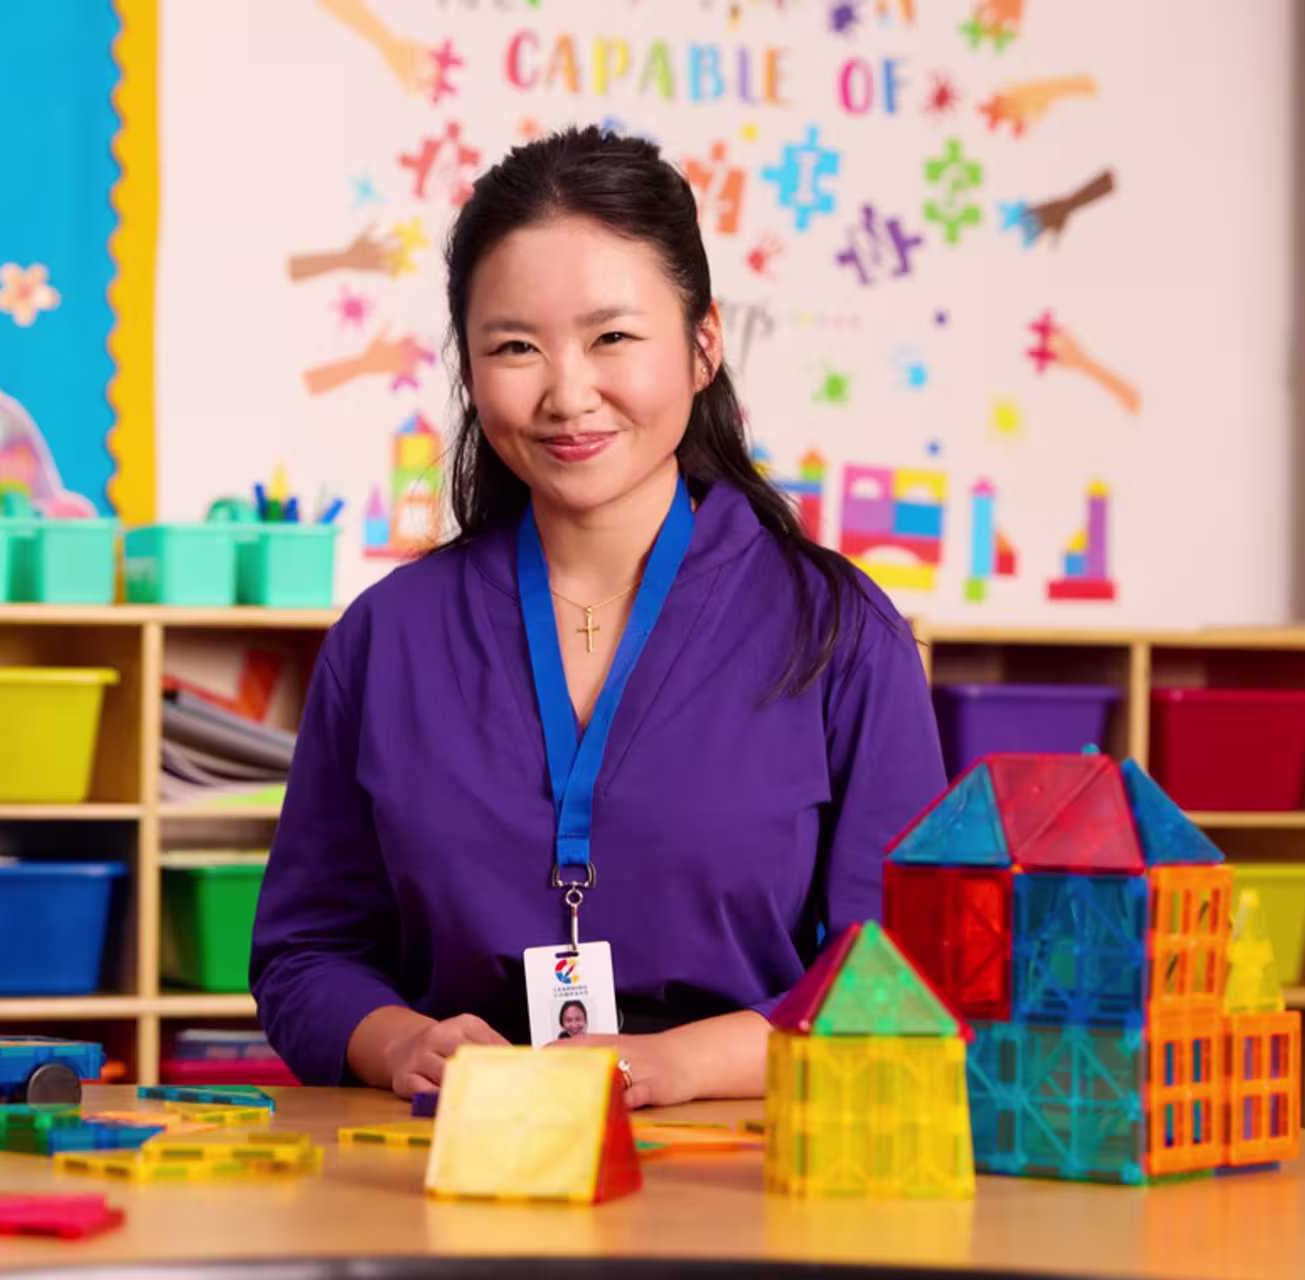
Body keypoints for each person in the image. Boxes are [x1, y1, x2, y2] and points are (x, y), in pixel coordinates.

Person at [250, 126, 946, 1110]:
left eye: (613, 337)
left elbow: (898, 977)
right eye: (515, 347)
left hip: (746, 1180)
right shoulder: (384, 636)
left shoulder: (839, 632)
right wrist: (399, 1040)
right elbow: (304, 952)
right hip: (458, 1168)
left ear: (704, 345)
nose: (568, 393)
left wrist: (672, 1065)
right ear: (470, 369)